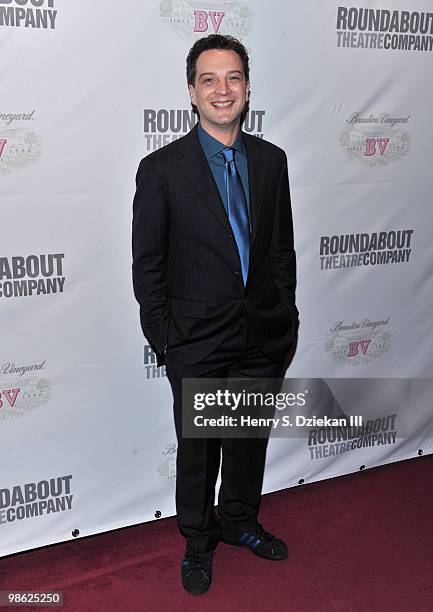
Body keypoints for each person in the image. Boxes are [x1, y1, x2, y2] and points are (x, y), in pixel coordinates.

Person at [132, 34, 299, 595]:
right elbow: (148, 263)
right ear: (192, 93)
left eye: (232, 78)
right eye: (209, 79)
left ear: (247, 89)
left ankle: (239, 522)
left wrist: (285, 318)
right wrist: (167, 339)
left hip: (261, 336)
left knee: (248, 439)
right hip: (195, 341)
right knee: (199, 451)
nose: (222, 90)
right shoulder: (160, 170)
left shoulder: (272, 162)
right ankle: (198, 541)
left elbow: (281, 251)